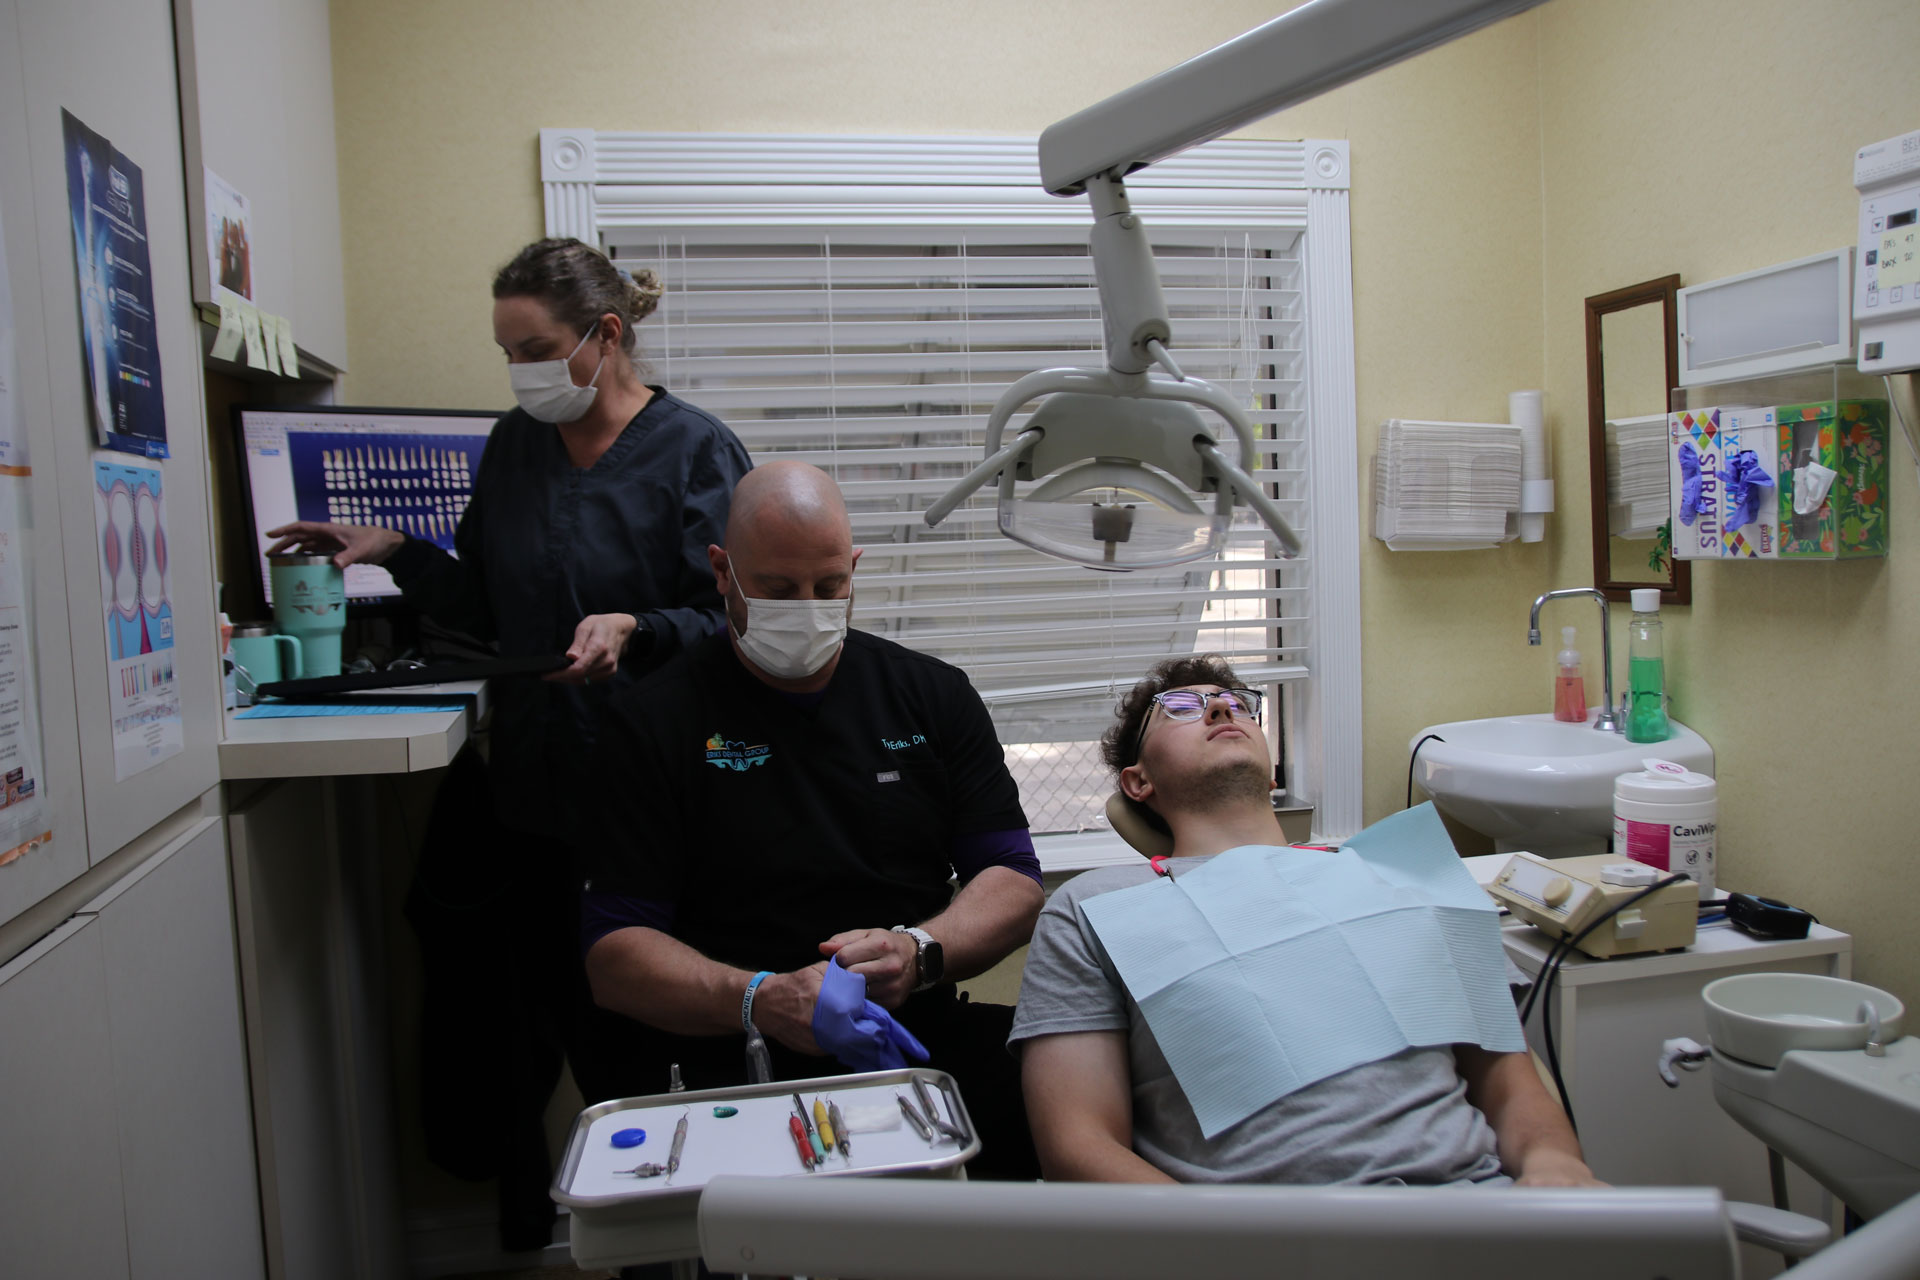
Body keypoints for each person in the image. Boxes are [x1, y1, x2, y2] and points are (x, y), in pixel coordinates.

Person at [265, 237, 752, 1248]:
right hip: (532, 797)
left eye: (535, 347)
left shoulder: (697, 450)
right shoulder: (517, 444)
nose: (521, 371)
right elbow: (489, 606)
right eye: (508, 352)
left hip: (648, 808)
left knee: (642, 1059)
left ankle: (694, 1244)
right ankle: (548, 1234)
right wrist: (393, 551)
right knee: (528, 1043)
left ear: (604, 336)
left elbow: (736, 617)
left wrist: (637, 627)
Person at [582, 461, 1045, 1180]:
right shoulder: (655, 721)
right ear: (721, 572)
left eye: (829, 586)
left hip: (910, 1038)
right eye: (776, 588)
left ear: (854, 568)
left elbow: (1011, 879)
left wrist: (919, 949)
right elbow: (614, 956)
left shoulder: (931, 697)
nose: (807, 607)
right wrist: (760, 999)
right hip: (728, 1054)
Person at [1010, 654, 1602, 1189]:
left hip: (1471, 1208)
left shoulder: (1403, 874)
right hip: (1256, 1246)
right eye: (1180, 709)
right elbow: (1077, 1146)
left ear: (1270, 772)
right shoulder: (1097, 908)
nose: (1220, 706)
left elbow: (1509, 1079)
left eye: (1237, 702)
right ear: (1140, 782)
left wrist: (1556, 1168)